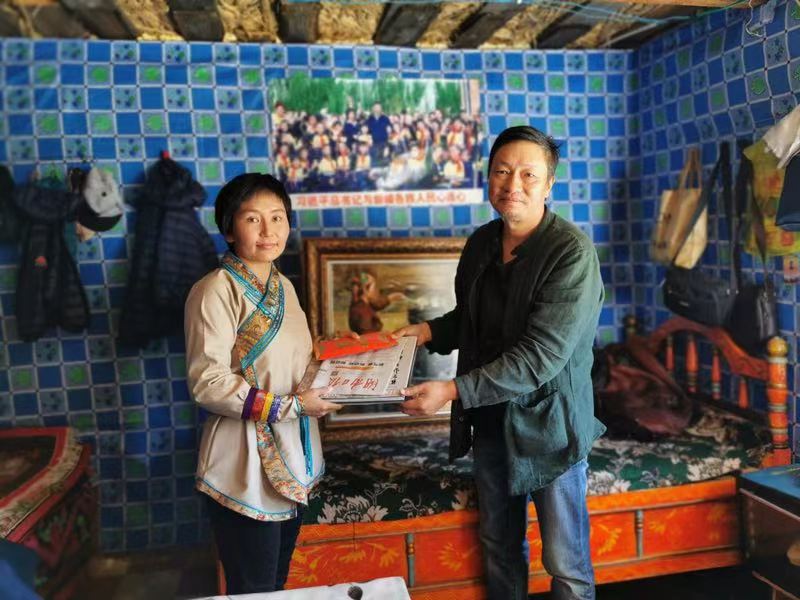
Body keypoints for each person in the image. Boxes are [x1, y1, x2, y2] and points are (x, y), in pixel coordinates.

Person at [394, 126, 605, 600]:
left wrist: (450, 391)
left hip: (551, 427)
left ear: (549, 184)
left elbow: (538, 357)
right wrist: (425, 332)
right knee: (500, 548)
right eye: (502, 172)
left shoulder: (571, 253)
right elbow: (470, 320)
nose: (513, 185)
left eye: (529, 174)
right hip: (490, 420)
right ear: (488, 178)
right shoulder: (481, 244)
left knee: (566, 563)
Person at [185, 173, 343, 593]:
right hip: (243, 463)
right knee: (253, 590)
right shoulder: (214, 290)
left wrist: (342, 365)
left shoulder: (283, 286)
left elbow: (296, 363)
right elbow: (208, 383)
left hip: (292, 453)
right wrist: (293, 406)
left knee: (275, 583)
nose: (268, 230)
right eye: (252, 219)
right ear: (229, 229)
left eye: (277, 217)